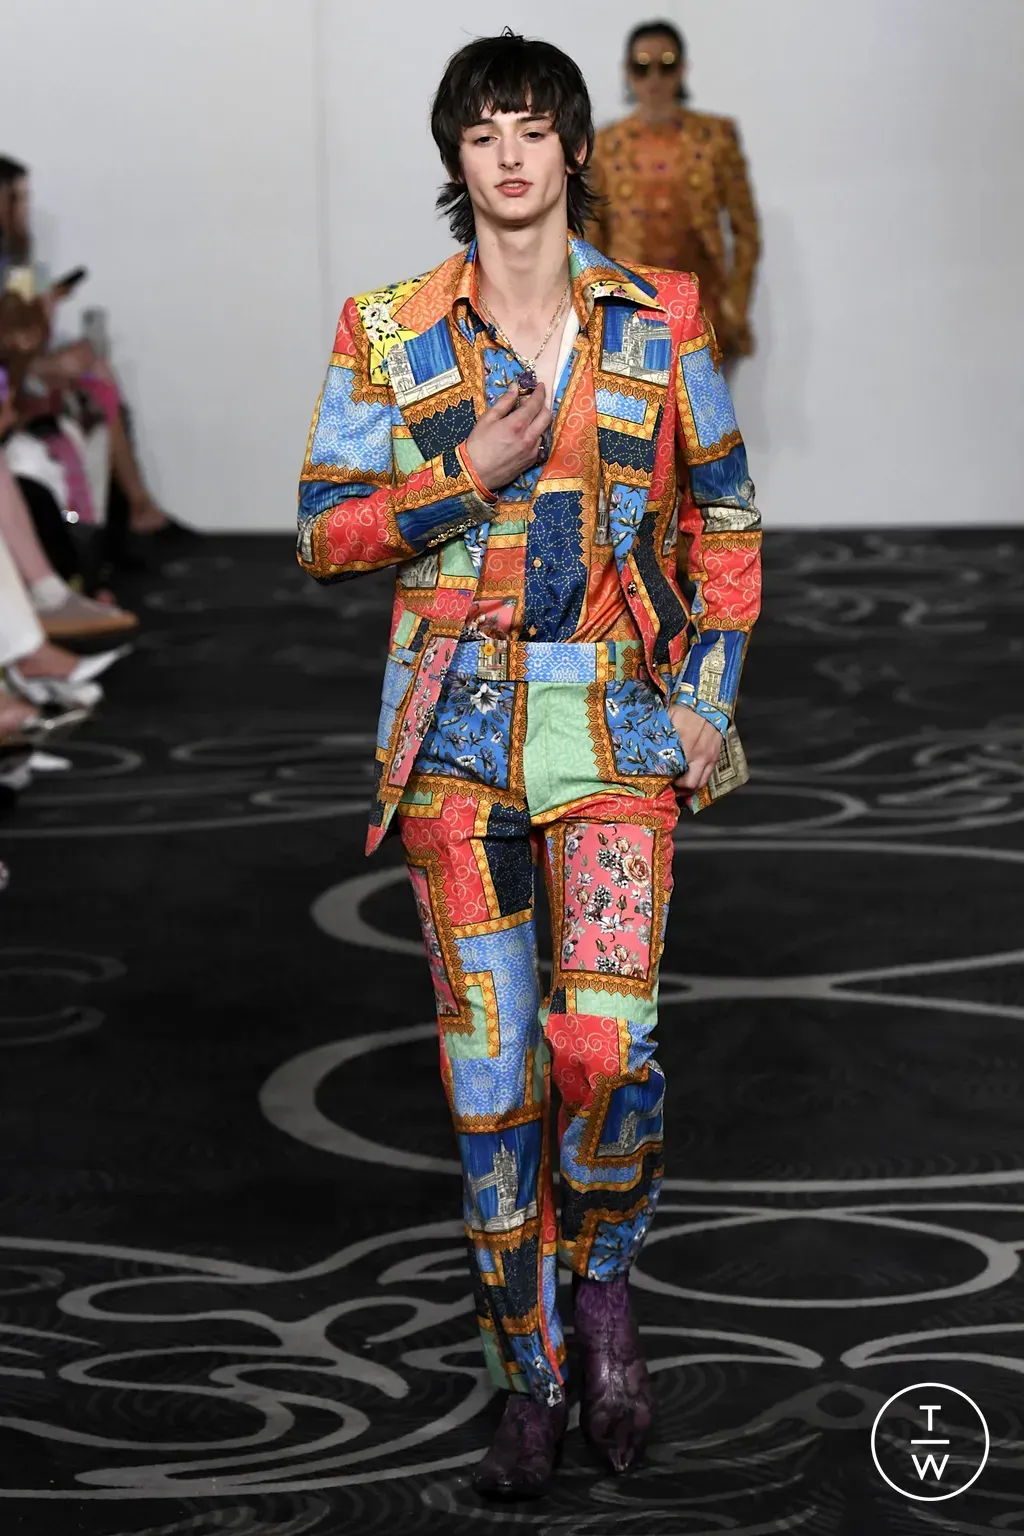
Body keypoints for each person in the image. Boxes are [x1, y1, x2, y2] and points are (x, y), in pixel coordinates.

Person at [297, 29, 761, 1499]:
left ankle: (607, 1290)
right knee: (491, 1081)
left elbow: (731, 526)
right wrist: (466, 480)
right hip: (455, 743)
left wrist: (705, 699)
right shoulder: (384, 328)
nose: (509, 155)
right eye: (483, 131)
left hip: (617, 729)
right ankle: (532, 1373)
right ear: (456, 159)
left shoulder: (661, 316)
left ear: (575, 149)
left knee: (604, 1053)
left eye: (533, 127)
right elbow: (321, 532)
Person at [586, 20, 760, 360]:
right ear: (628, 72)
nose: (653, 79)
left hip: (703, 311)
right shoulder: (605, 147)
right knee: (638, 410)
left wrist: (734, 304)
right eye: (642, 66)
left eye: (665, 65)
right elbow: (592, 237)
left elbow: (746, 231)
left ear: (682, 69)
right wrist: (599, 311)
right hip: (630, 315)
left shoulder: (715, 139)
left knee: (702, 412)